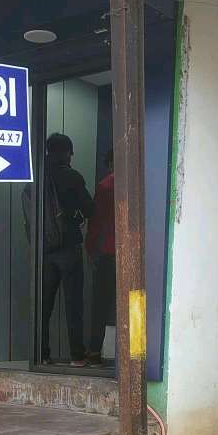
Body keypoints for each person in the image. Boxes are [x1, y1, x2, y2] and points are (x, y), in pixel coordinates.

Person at [40, 133, 94, 367]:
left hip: (44, 251)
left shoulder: (38, 177)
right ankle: (77, 356)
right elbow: (90, 208)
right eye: (70, 152)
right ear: (65, 153)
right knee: (73, 304)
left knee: (43, 306)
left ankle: (41, 354)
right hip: (69, 248)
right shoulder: (72, 177)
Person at [86, 150, 116, 364]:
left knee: (101, 305)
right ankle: (132, 355)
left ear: (110, 163)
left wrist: (90, 249)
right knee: (132, 303)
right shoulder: (139, 184)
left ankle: (95, 351)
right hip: (131, 255)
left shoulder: (105, 186)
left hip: (107, 253)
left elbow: (96, 223)